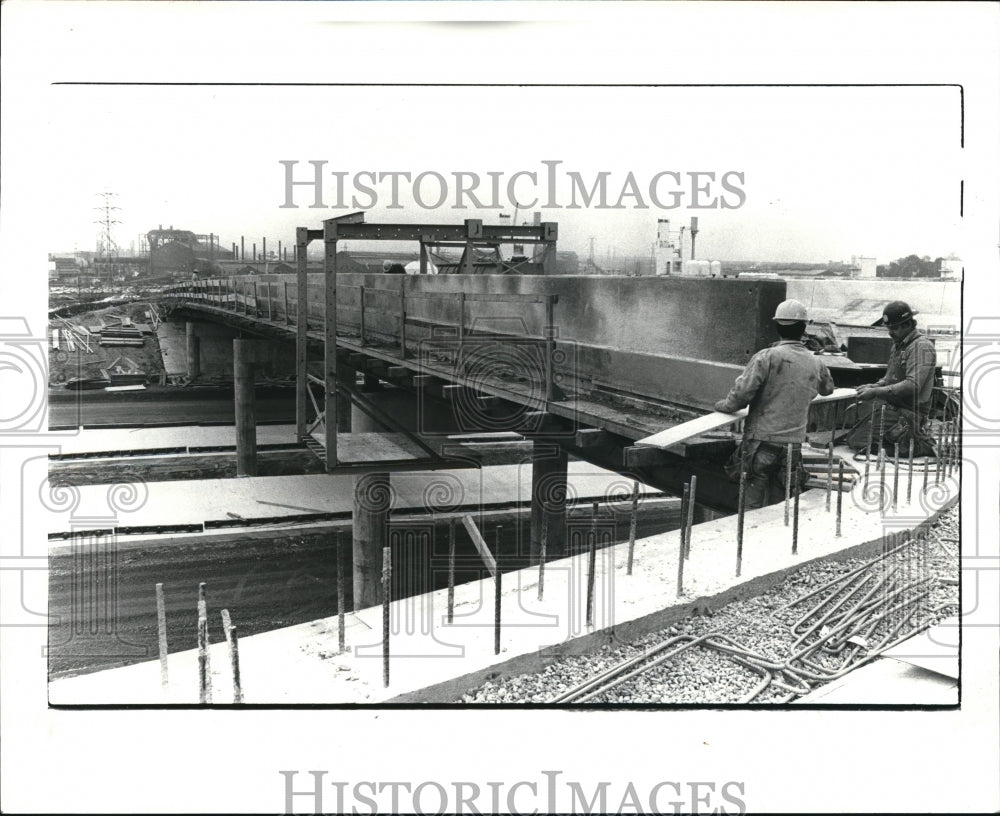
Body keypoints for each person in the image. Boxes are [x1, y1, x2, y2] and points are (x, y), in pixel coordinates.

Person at [714, 299, 835, 509]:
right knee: (779, 510)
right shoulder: (816, 362)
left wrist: (722, 406)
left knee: (751, 507)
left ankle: (747, 540)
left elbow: (740, 397)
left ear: (777, 326)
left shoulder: (767, 357)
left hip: (762, 443)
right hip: (792, 446)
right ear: (803, 328)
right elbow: (828, 389)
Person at [852, 300, 937, 457]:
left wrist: (877, 392)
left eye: (894, 328)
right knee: (853, 436)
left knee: (860, 442)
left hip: (910, 413)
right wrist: (874, 385)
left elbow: (913, 385)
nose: (890, 333)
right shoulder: (899, 345)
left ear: (907, 325)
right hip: (894, 408)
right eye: (889, 328)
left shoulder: (922, 347)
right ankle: (902, 439)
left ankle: (920, 444)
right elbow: (890, 378)